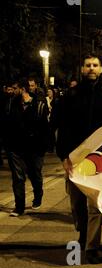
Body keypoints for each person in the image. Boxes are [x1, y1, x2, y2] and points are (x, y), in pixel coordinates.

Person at [55, 53, 102, 264]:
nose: (91, 68)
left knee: (95, 206)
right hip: (74, 159)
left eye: (95, 65)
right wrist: (63, 156)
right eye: (87, 65)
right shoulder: (69, 96)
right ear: (82, 69)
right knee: (76, 205)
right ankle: (82, 235)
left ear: (100, 70)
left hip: (100, 160)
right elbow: (62, 128)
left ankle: (91, 247)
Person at [2, 80, 49, 216]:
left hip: (35, 148)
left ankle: (38, 195)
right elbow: (5, 124)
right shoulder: (11, 104)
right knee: (18, 177)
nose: (11, 91)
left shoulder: (39, 105)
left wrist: (43, 147)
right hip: (15, 147)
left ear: (23, 89)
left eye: (14, 88)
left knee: (35, 175)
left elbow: (45, 128)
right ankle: (19, 207)